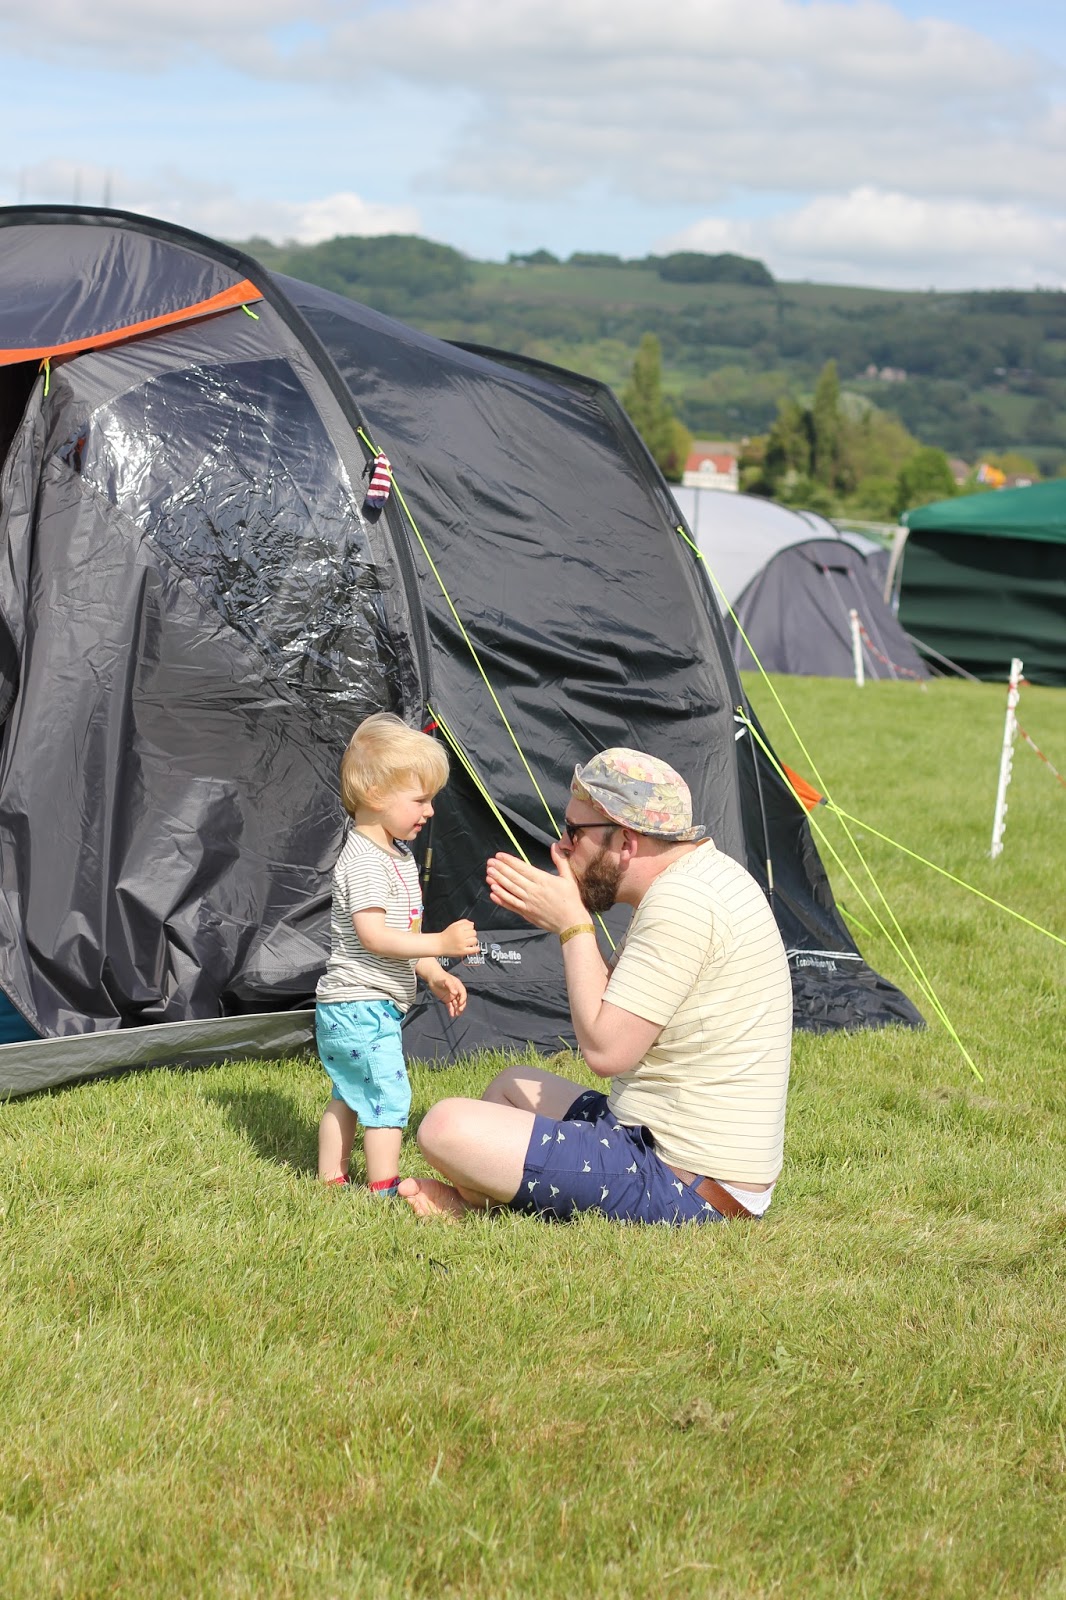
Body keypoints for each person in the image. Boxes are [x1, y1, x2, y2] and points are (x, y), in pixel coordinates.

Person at [398, 748, 792, 1224]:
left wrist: (572, 925)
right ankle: (484, 1199)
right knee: (509, 1085)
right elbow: (620, 1004)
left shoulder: (681, 907)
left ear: (625, 841)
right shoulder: (699, 879)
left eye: (572, 833)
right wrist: (569, 919)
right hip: (665, 1141)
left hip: (685, 1181)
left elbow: (607, 1054)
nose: (559, 849)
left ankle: (479, 1202)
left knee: (444, 1126)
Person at [316, 712, 480, 1193]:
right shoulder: (366, 861)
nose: (429, 811)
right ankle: (382, 1187)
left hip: (357, 1005)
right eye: (420, 799)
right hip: (358, 1004)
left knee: (349, 1093)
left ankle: (331, 1180)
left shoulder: (397, 856)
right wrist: (441, 943)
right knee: (387, 1093)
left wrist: (432, 971)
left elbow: (404, 936)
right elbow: (374, 937)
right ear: (374, 796)